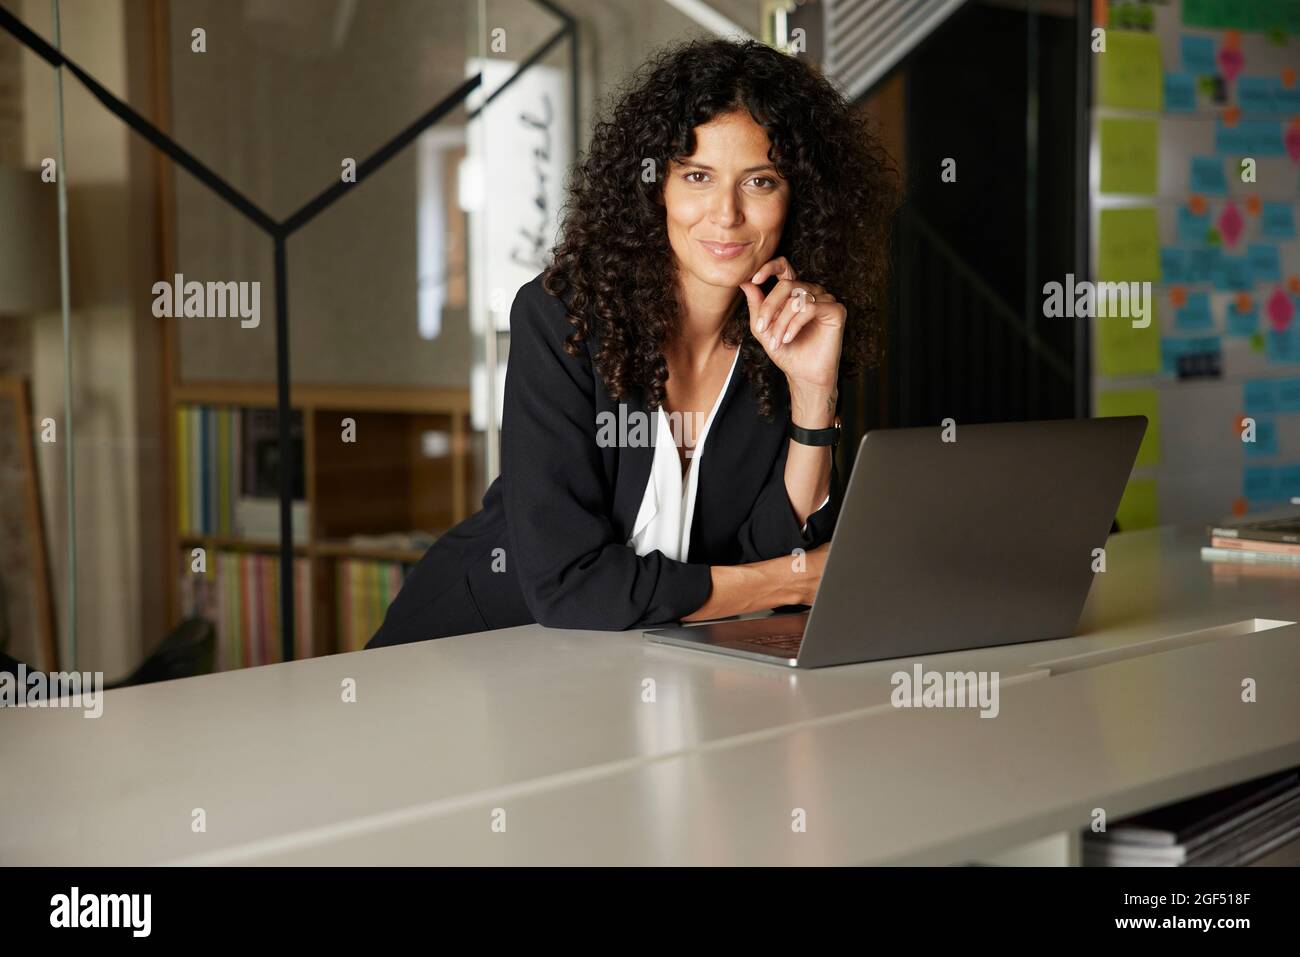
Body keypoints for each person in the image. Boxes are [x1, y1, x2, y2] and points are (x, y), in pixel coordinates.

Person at [367, 37, 897, 648]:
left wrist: (812, 391)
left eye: (759, 181)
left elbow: (773, 549)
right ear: (654, 188)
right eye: (698, 176)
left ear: (798, 198)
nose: (725, 214)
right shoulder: (564, 319)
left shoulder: (781, 340)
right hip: (472, 650)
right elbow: (572, 584)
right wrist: (787, 583)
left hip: (628, 666)